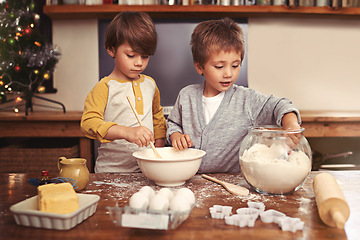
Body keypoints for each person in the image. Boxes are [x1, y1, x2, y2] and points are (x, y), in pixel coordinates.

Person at [166, 18, 301, 173]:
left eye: (235, 65)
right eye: (219, 66)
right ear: (199, 66)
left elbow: (279, 105)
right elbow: (173, 124)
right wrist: (176, 136)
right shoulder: (186, 96)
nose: (228, 73)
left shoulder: (246, 100)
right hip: (189, 180)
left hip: (231, 184)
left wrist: (291, 124)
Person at [81, 11, 166, 173]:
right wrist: (126, 132)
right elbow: (88, 123)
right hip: (111, 171)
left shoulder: (150, 84)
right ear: (111, 50)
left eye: (145, 56)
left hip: (146, 170)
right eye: (131, 55)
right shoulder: (105, 87)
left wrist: (159, 148)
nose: (139, 63)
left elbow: (157, 117)